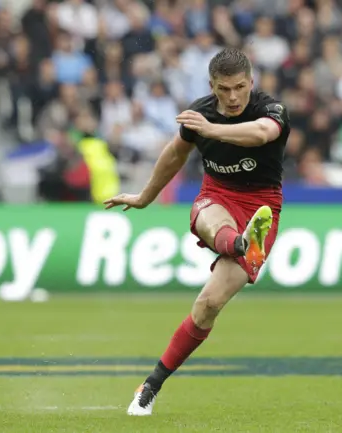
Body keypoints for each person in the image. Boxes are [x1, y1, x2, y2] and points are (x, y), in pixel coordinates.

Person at [103, 47, 291, 416]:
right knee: (212, 220)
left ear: (252, 82)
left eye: (240, 87)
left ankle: (151, 383)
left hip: (262, 205)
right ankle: (239, 243)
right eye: (224, 89)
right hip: (218, 195)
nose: (233, 96)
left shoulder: (272, 110)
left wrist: (211, 129)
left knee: (207, 306)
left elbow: (260, 134)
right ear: (212, 86)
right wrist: (144, 197)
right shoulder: (199, 113)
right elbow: (175, 155)